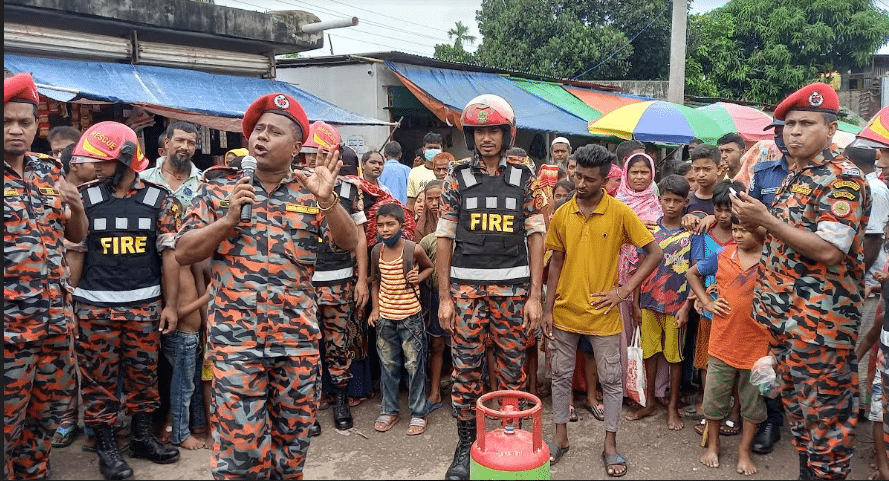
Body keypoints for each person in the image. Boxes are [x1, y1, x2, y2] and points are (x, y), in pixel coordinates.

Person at [175, 92, 359, 479]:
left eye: (274, 132)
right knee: (241, 456)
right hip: (236, 342)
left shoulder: (311, 192)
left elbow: (349, 242)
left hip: (296, 341)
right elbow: (183, 252)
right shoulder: (218, 188)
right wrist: (227, 221)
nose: (261, 137)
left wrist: (328, 202)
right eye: (258, 129)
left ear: (296, 147)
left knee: (291, 451)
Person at [732, 82, 870, 480]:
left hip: (820, 330)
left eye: (806, 123)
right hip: (787, 327)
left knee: (825, 429)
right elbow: (782, 243)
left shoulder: (843, 179)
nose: (794, 131)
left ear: (830, 130)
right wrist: (754, 225)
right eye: (789, 123)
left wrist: (767, 221)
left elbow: (829, 250)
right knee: (804, 427)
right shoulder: (796, 177)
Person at [436, 94, 546, 480]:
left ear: (507, 133)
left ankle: (508, 439)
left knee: (512, 371)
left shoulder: (524, 178)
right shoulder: (457, 176)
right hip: (466, 293)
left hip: (514, 293)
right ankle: (467, 445)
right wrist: (445, 297)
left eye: (493, 130)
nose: (486, 138)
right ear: (471, 134)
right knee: (466, 371)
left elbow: (536, 236)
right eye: (479, 130)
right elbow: (445, 236)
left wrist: (536, 296)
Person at [66, 121, 182, 480]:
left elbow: (170, 258)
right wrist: (68, 304)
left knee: (143, 376)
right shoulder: (84, 198)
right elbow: (76, 254)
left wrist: (172, 306)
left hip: (144, 308)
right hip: (94, 308)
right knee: (99, 380)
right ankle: (106, 446)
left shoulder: (160, 200)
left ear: (128, 160)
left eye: (104, 161)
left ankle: (143, 438)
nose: (96, 167)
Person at [543, 144, 662, 476]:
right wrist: (547, 308)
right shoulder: (563, 212)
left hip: (604, 316)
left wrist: (622, 291)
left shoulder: (621, 212)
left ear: (606, 178)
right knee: (560, 377)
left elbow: (653, 253)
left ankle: (610, 444)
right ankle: (560, 438)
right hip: (565, 313)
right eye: (577, 176)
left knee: (612, 382)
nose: (581, 184)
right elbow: (556, 263)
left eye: (589, 179)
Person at [4, 72, 86, 480]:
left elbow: (76, 235)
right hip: (9, 334)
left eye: (25, 122)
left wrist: (79, 207)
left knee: (45, 422)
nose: (17, 131)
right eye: (7, 122)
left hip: (56, 326)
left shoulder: (49, 171)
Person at [140, 120, 206, 447]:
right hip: (147, 274)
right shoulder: (143, 182)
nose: (185, 147)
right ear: (165, 143)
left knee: (185, 358)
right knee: (148, 362)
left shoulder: (204, 183)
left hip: (189, 272)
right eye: (179, 140)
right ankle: (152, 424)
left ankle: (176, 425)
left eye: (191, 143)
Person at [687, 216, 769, 475]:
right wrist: (706, 301)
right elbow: (693, 273)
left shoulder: (772, 260)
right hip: (722, 342)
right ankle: (713, 444)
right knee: (714, 399)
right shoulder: (724, 254)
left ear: (762, 230)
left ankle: (744, 450)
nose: (739, 234)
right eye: (736, 229)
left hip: (757, 346)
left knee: (752, 403)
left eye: (746, 229)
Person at [304, 123, 369, 434]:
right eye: (310, 152)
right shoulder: (290, 186)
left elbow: (359, 238)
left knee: (337, 344)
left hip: (339, 280)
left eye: (323, 153)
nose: (314, 158)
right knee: (305, 348)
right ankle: (309, 406)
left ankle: (341, 399)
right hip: (300, 284)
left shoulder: (348, 190)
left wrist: (361, 280)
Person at [626, 174, 692, 431]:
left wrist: (687, 305)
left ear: (686, 202)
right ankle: (649, 401)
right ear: (659, 200)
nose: (672, 205)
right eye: (667, 200)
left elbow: (695, 268)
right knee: (650, 353)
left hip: (677, 305)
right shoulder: (649, 230)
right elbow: (639, 267)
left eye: (677, 201)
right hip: (649, 302)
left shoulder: (691, 232)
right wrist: (635, 302)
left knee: (674, 357)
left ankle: (673, 406)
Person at [368, 203, 435, 435]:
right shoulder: (377, 251)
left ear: (401, 225)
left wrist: (419, 276)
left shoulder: (413, 249)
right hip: (386, 317)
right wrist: (375, 309)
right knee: (388, 365)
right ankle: (389, 410)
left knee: (415, 365)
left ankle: (418, 412)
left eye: (390, 224)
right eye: (380, 225)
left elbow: (430, 268)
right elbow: (375, 281)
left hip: (410, 317)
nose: (385, 229)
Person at [613, 152, 671, 406]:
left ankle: (651, 388)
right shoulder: (615, 202)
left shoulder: (658, 206)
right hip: (617, 277)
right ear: (625, 173)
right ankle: (623, 389)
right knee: (620, 335)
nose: (638, 177)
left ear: (652, 175)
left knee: (646, 335)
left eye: (644, 172)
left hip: (648, 280)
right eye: (634, 172)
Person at [682, 180, 738, 425]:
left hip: (737, 310)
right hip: (709, 306)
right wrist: (701, 297)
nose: (724, 215)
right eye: (719, 209)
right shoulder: (703, 233)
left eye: (729, 209)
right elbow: (697, 270)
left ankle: (733, 412)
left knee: (736, 362)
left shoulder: (745, 235)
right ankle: (709, 409)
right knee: (706, 361)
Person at [407, 132, 443, 211]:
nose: (433, 150)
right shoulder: (414, 172)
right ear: (423, 150)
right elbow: (411, 202)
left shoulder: (447, 172)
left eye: (436, 148)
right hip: (421, 220)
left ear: (441, 150)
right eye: (430, 148)